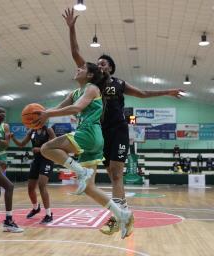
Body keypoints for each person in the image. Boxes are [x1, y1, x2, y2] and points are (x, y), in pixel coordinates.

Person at [62, 7, 184, 235]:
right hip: (98, 131)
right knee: (109, 173)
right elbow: (76, 52)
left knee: (117, 173)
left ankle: (119, 217)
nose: (99, 64)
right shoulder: (92, 81)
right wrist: (71, 27)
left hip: (118, 129)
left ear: (111, 67)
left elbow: (144, 94)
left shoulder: (119, 83)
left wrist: (167, 91)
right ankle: (120, 214)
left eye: (104, 63)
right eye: (97, 62)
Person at [34, 62, 134, 239]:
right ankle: (122, 215)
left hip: (88, 133)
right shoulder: (74, 93)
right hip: (93, 140)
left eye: (81, 68)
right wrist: (43, 115)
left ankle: (81, 171)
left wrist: (48, 115)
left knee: (46, 147)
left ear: (89, 75)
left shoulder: (92, 88)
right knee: (89, 189)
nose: (77, 69)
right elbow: (58, 107)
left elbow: (76, 108)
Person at [11, 126, 56, 224]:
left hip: (47, 160)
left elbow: (55, 145)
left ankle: (49, 214)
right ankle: (36, 208)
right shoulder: (32, 131)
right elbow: (21, 144)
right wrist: (13, 138)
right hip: (36, 161)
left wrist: (40, 149)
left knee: (41, 185)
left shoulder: (48, 130)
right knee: (30, 188)